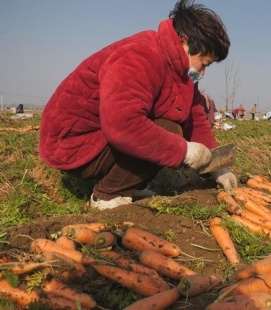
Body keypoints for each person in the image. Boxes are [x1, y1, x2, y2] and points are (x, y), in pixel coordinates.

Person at [38, 0, 238, 210]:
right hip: (74, 144)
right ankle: (107, 195)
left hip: (103, 137)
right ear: (184, 40)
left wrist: (216, 164)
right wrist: (184, 151)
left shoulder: (180, 72)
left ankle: (130, 184)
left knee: (171, 129)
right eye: (203, 63)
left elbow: (194, 116)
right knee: (169, 130)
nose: (203, 72)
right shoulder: (139, 55)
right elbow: (123, 125)